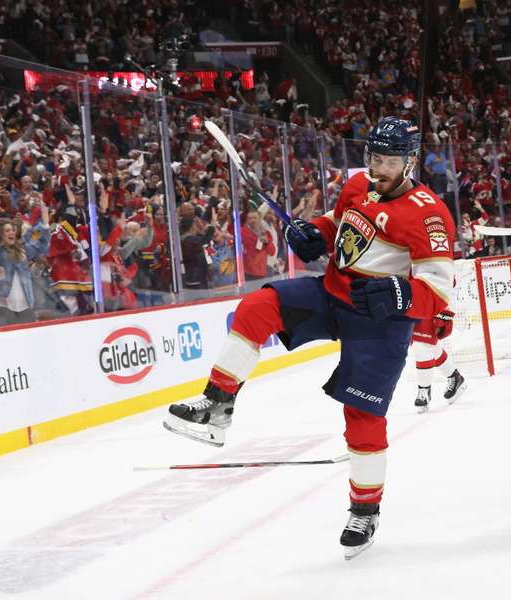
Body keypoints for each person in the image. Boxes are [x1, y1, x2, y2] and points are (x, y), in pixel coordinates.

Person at [162, 117, 455, 558]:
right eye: (373, 157)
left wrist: (398, 291)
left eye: (388, 160)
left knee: (361, 415)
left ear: (408, 162)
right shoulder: (358, 187)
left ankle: (365, 508)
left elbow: (438, 291)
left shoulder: (428, 212)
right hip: (335, 294)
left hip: (380, 320)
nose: (378, 167)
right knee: (256, 307)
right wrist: (312, 233)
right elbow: (337, 225)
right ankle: (217, 404)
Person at [410, 308, 466, 413]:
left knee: (421, 341)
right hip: (411, 299)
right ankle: (455, 376)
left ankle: (424, 389)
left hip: (426, 300)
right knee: (427, 344)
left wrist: (441, 309)